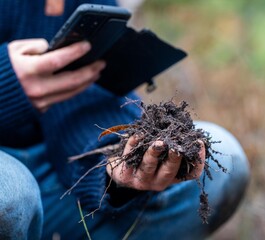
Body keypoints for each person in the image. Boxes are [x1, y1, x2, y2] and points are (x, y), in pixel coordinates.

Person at [0, 0, 250, 239]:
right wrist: (6, 82)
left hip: (56, 178)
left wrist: (111, 160)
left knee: (223, 165)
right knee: (11, 194)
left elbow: (88, 90)